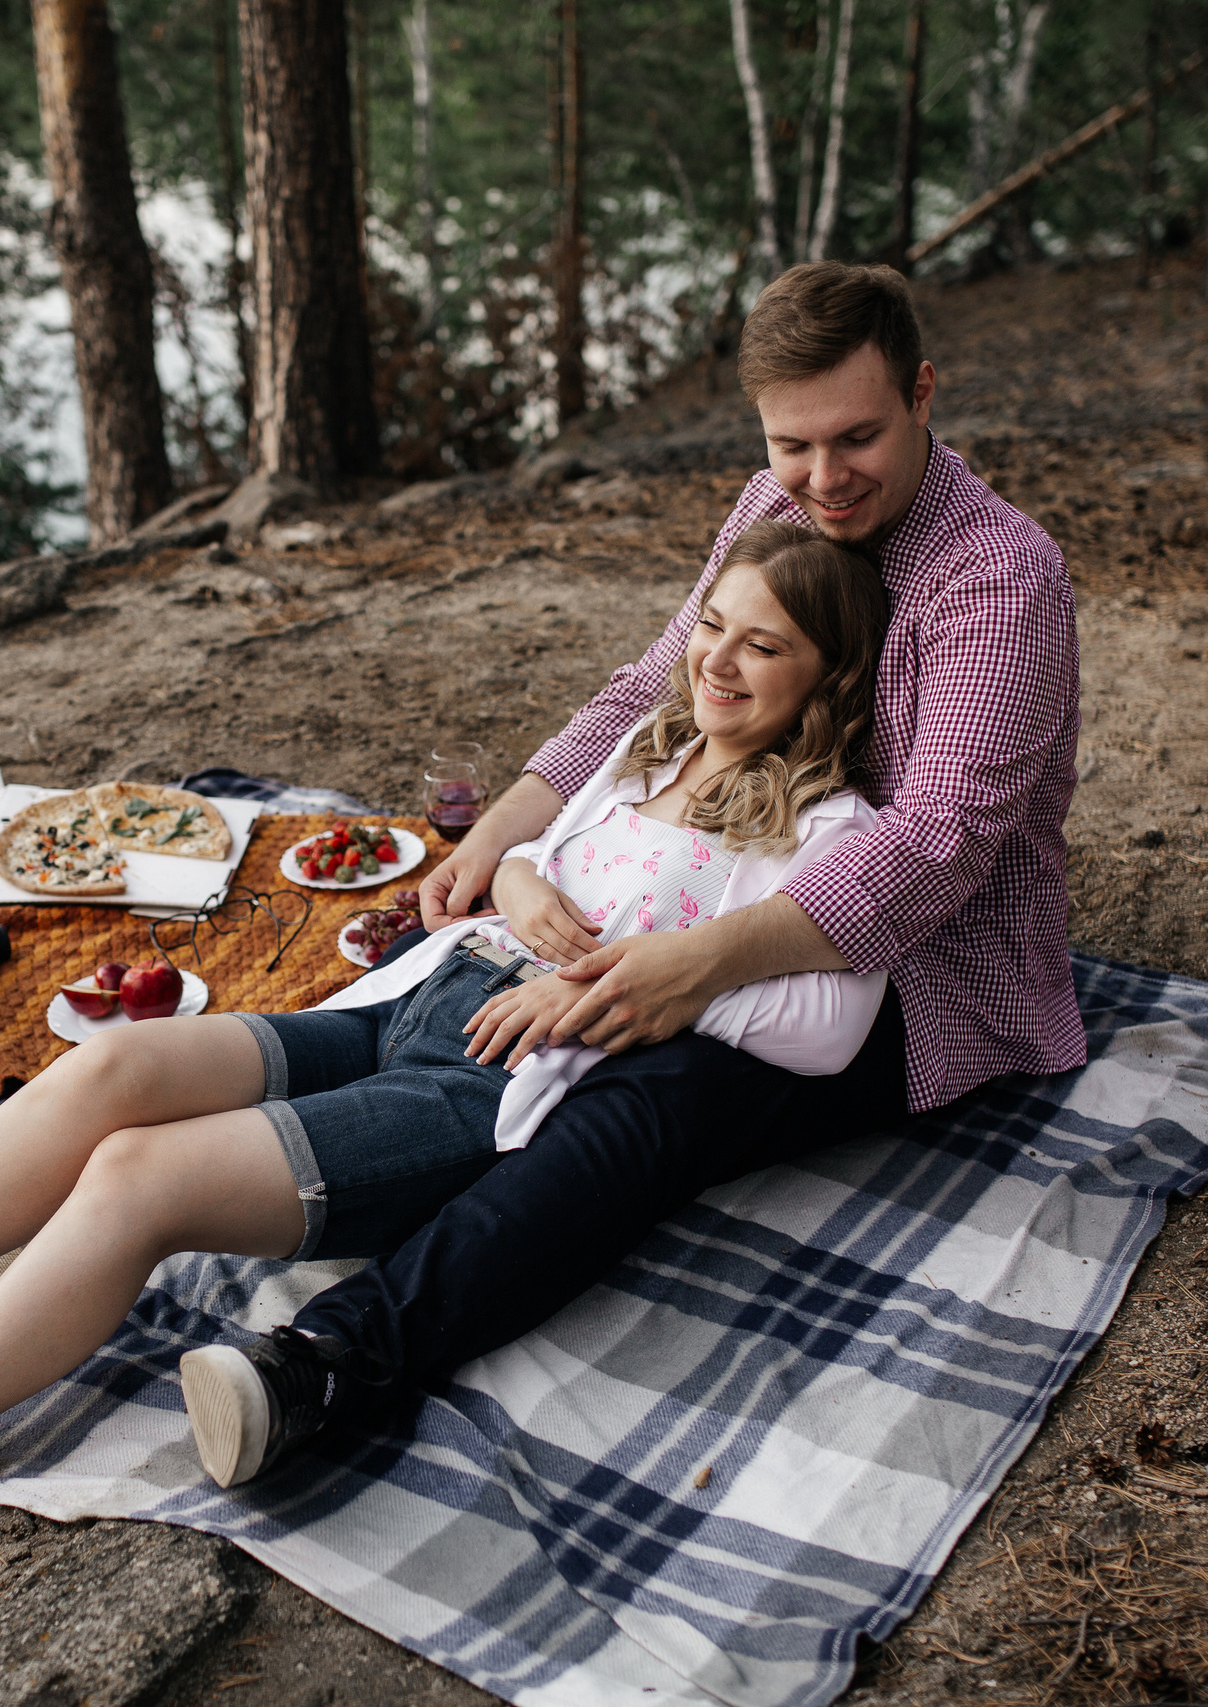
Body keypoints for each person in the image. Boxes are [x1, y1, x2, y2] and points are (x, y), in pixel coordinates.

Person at [0, 522, 892, 1570]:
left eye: (763, 645)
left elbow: (825, 1028)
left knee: (136, 1178)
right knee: (112, 1068)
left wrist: (608, 989)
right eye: (712, 625)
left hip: (490, 1088)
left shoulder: (833, 832)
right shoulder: (646, 754)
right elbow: (532, 854)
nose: (717, 659)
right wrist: (516, 879)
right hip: (418, 998)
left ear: (827, 681)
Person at [174, 260, 1086, 1487]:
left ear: (922, 395)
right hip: (729, 868)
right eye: (792, 444)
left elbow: (938, 847)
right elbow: (653, 688)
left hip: (926, 969)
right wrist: (505, 832)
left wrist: (692, 967)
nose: (822, 478)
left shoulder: (997, 577)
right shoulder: (773, 504)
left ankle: (327, 1364)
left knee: (648, 1093)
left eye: (857, 437)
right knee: (469, 976)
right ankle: (149, 1162)